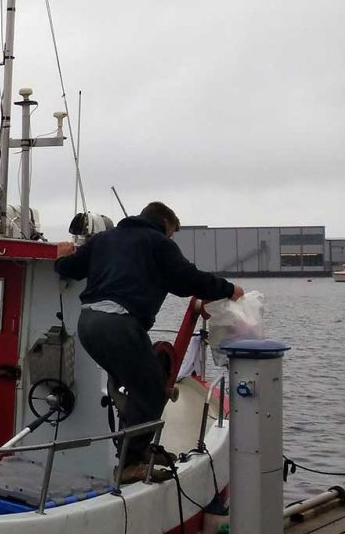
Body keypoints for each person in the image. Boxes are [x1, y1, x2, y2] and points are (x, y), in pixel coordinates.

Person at [54, 201, 243, 482]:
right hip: (119, 324)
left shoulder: (103, 240)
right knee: (152, 390)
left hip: (88, 325)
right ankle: (129, 465)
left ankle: (136, 450)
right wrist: (229, 289)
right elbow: (188, 278)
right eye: (173, 234)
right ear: (166, 224)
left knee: (135, 384)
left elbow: (70, 268)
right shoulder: (158, 242)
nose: (171, 239)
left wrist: (60, 257)